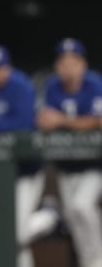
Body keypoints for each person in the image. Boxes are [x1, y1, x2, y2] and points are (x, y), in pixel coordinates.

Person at [0, 46, 58, 267]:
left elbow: (25, 123)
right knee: (9, 234)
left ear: (8, 68)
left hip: (26, 169)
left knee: (14, 234)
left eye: (0, 68)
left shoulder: (21, 85)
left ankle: (50, 216)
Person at [36, 38, 102, 267]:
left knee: (82, 206)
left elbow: (98, 121)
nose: (68, 66)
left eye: (73, 61)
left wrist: (63, 120)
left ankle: (97, 259)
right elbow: (44, 119)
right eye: (63, 61)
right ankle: (88, 261)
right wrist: (75, 122)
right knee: (73, 216)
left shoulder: (95, 84)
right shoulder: (53, 86)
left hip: (94, 163)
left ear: (83, 64)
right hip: (66, 164)